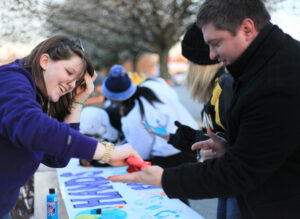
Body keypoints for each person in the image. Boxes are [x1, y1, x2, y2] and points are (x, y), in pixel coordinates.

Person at [108, 0, 300, 218]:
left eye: (216, 43)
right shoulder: (259, 66)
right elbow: (264, 146)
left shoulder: (276, 82)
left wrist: (164, 179)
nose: (210, 56)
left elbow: (241, 171)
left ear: (247, 28)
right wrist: (230, 148)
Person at [0, 35, 140, 219]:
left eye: (77, 81)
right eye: (69, 72)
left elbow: (58, 159)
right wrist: (108, 152)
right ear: (44, 61)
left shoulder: (38, 95)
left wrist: (77, 102)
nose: (72, 85)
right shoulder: (11, 80)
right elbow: (35, 129)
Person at [144, 23, 239, 219]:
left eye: (189, 63)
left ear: (200, 63)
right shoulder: (218, 87)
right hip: (230, 186)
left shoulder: (226, 87)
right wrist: (171, 136)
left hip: (240, 189)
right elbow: (214, 138)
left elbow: (239, 148)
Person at [102, 64, 198, 168]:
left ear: (115, 99)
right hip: (192, 141)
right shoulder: (154, 83)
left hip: (170, 156)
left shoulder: (134, 115)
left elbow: (141, 153)